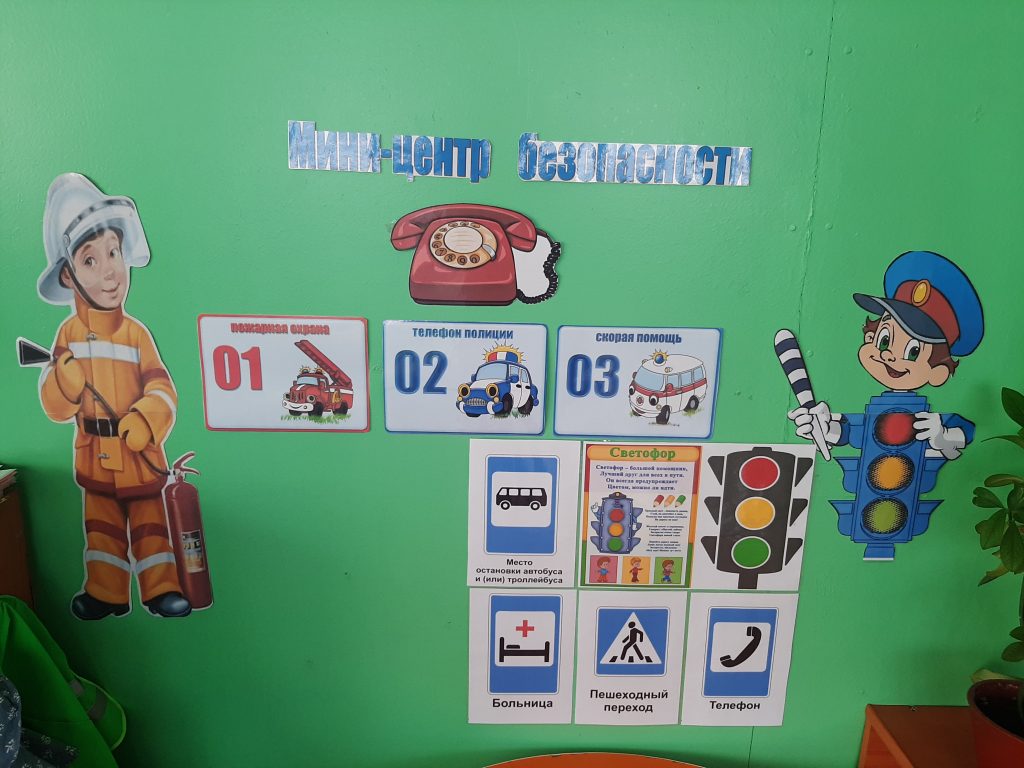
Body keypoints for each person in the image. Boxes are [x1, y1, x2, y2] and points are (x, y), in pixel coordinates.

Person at [35, 173, 191, 620]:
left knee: (151, 528)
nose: (109, 271)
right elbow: (54, 407)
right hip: (94, 456)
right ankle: (105, 592)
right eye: (90, 259)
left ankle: (161, 588)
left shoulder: (137, 334)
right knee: (101, 531)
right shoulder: (66, 335)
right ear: (69, 275)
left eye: (113, 252)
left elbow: (162, 387)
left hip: (139, 454)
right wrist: (64, 384)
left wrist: (146, 419)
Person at [788, 251, 984, 460]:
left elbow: (966, 432)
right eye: (884, 340)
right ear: (870, 337)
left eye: (913, 352)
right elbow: (850, 432)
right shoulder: (874, 416)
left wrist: (942, 437)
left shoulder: (930, 423)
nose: (889, 355)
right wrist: (823, 429)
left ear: (938, 372)